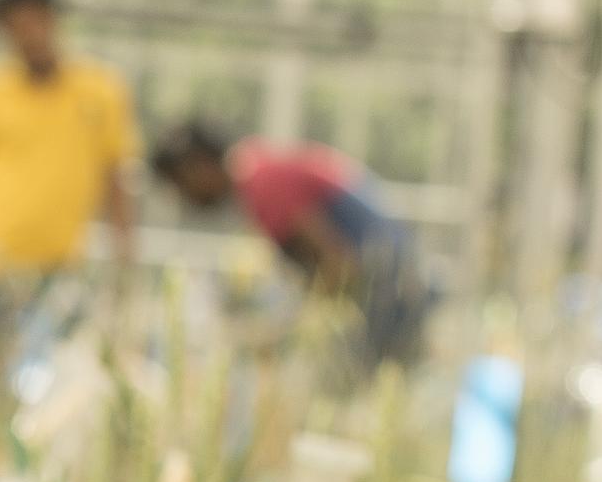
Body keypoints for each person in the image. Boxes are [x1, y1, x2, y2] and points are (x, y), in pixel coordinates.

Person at [0, 0, 136, 355]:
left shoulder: (101, 91)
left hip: (61, 271)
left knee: (53, 379)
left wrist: (123, 257)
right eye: (15, 27)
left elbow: (117, 178)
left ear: (52, 20)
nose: (27, 35)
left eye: (33, 22)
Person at [148, 117, 435, 370]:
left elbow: (339, 264)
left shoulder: (261, 183)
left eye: (179, 183)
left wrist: (288, 328)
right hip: (388, 282)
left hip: (392, 288)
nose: (183, 196)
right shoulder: (256, 168)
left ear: (197, 166)